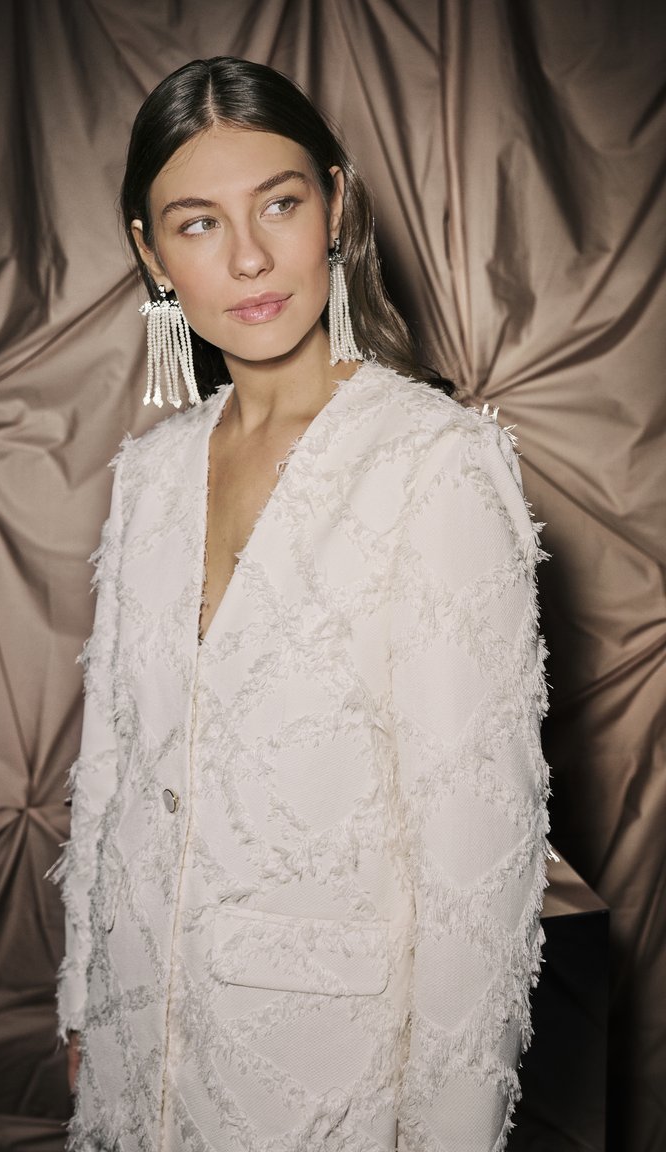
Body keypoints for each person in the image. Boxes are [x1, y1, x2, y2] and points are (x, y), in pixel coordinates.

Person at [55, 56, 550, 1152]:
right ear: (151, 252)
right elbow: (112, 765)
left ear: (334, 205)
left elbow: (479, 862)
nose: (247, 257)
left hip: (321, 1074)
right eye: (196, 223)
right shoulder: (151, 474)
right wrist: (86, 999)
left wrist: (450, 1132)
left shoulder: (436, 464)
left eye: (277, 204)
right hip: (137, 1044)